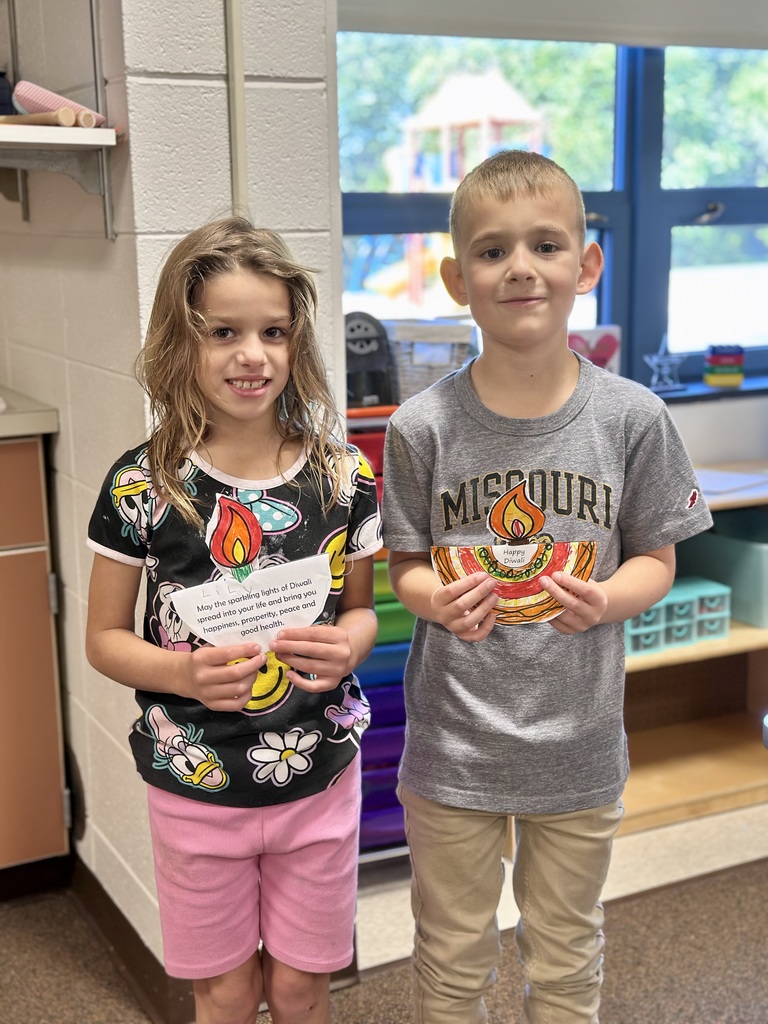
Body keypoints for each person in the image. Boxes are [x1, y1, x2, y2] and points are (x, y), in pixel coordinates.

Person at [382, 149, 713, 1024]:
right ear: (457, 278)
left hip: (579, 745)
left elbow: (659, 558)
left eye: (545, 245)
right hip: (453, 750)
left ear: (585, 264)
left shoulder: (633, 417)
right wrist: (430, 599)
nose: (520, 267)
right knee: (451, 960)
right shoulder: (421, 427)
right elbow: (406, 566)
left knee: (566, 957)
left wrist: (606, 598)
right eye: (491, 251)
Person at [85, 218, 381, 1024]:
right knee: (222, 992)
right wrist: (181, 673)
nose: (252, 354)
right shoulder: (141, 486)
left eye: (273, 332)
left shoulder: (344, 476)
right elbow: (104, 640)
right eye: (224, 332)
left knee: (300, 987)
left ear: (296, 342)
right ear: (182, 343)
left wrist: (342, 647)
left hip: (317, 773)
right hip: (196, 783)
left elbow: (363, 616)